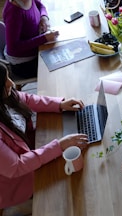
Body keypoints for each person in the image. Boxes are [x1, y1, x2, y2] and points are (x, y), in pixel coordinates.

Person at [0, 62, 88, 210]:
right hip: (18, 182)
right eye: (4, 82)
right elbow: (17, 167)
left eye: (8, 77)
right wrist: (59, 146)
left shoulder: (7, 95)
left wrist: (59, 104)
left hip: (33, 152)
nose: (12, 83)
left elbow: (26, 99)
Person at [2, 0, 59, 79]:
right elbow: (14, 47)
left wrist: (44, 17)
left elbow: (39, 4)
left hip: (35, 47)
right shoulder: (14, 11)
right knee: (60, 70)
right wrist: (44, 38)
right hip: (23, 63)